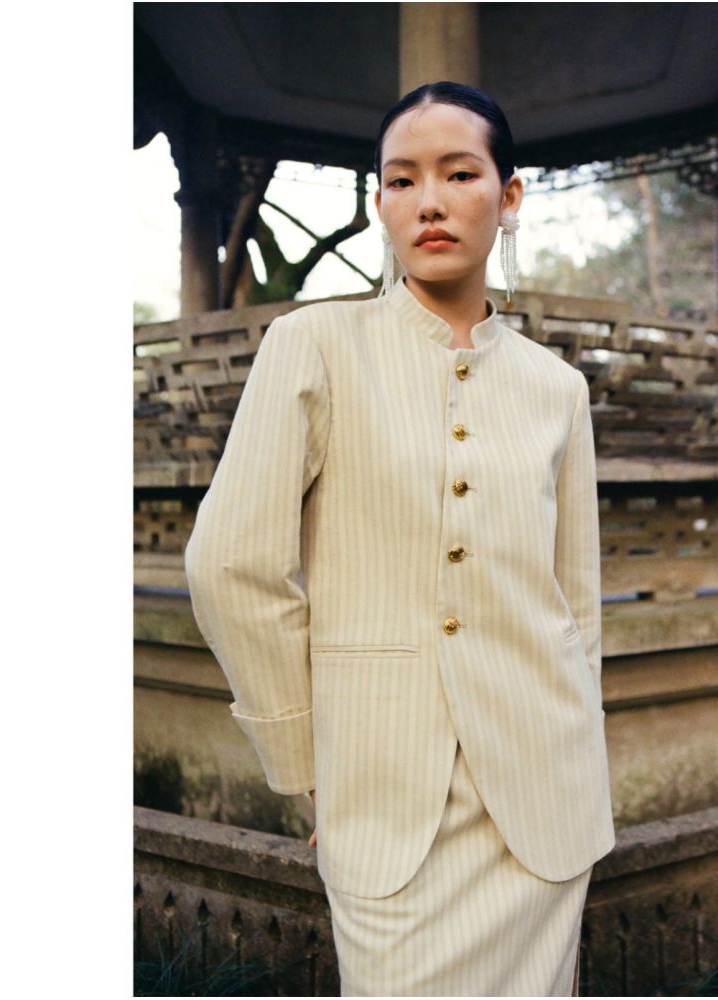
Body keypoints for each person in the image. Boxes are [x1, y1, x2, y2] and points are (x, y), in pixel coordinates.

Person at [184, 81, 615, 997]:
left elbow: (576, 604)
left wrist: (583, 754)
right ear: (379, 203)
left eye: (460, 173)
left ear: (508, 195)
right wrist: (306, 763)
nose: (429, 202)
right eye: (401, 179)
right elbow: (229, 564)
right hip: (382, 795)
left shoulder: (558, 390)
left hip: (545, 799)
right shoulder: (314, 345)